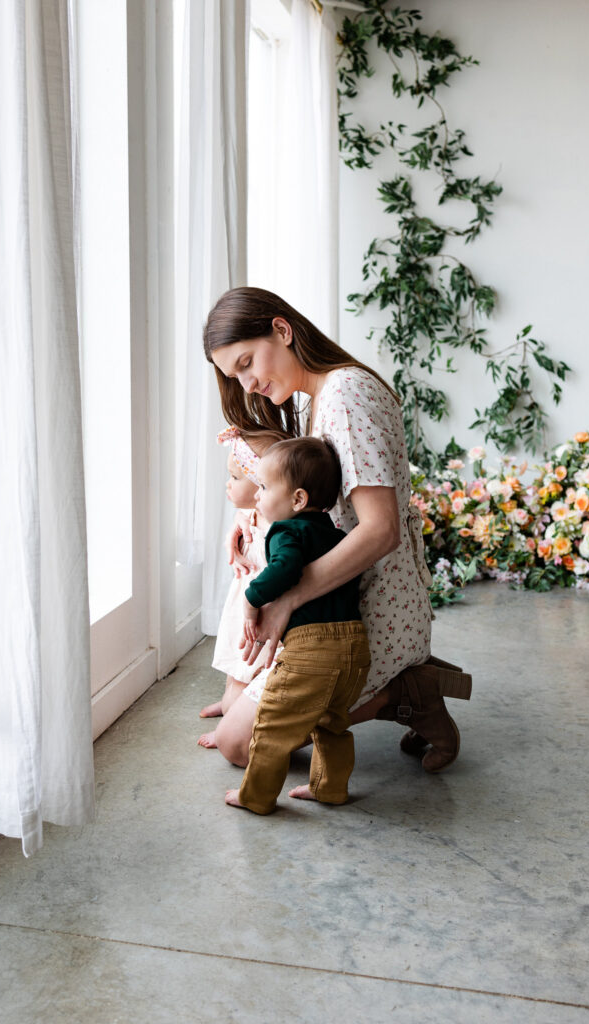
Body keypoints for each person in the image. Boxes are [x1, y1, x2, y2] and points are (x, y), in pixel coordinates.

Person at [203, 286, 472, 775]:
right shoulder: (322, 397)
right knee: (237, 722)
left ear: (282, 331)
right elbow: (311, 502)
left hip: (368, 612)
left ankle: (408, 693)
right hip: (338, 597)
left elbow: (380, 531)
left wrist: (287, 600)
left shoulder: (346, 397)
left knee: (239, 747)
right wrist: (250, 517)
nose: (247, 385)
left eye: (246, 363)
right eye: (234, 376)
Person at [225, 436, 370, 814]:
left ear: (298, 500)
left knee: (272, 724)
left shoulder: (286, 531)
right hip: (354, 647)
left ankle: (254, 797)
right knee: (332, 723)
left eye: (264, 487)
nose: (257, 495)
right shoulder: (335, 534)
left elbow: (285, 568)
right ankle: (330, 788)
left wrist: (252, 597)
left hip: (313, 649)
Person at [198, 426, 284, 751]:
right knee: (235, 662)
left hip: (260, 615)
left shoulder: (277, 526)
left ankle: (233, 712)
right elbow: (246, 512)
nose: (228, 484)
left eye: (236, 477)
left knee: (247, 670)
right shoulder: (249, 515)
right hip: (242, 609)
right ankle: (229, 699)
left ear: (263, 484)